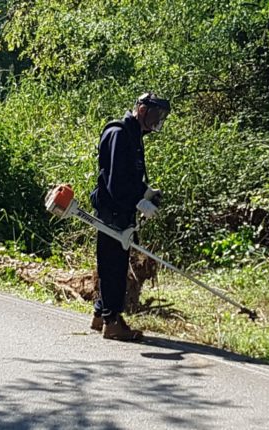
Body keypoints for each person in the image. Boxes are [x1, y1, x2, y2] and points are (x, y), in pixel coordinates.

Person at [89, 92, 171, 341]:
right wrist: (137, 201)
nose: (158, 121)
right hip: (112, 211)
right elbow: (115, 182)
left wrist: (146, 192)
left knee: (114, 262)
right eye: (156, 115)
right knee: (113, 265)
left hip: (121, 210)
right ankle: (112, 322)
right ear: (142, 110)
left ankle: (99, 315)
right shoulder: (119, 133)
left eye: (162, 116)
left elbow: (130, 176)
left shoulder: (134, 135)